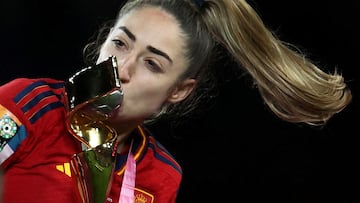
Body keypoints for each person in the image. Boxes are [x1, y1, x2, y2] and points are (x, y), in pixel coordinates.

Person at [0, 0, 352, 202]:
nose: (122, 68)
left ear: (179, 91)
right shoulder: (27, 106)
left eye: (152, 63)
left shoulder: (160, 176)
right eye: (120, 43)